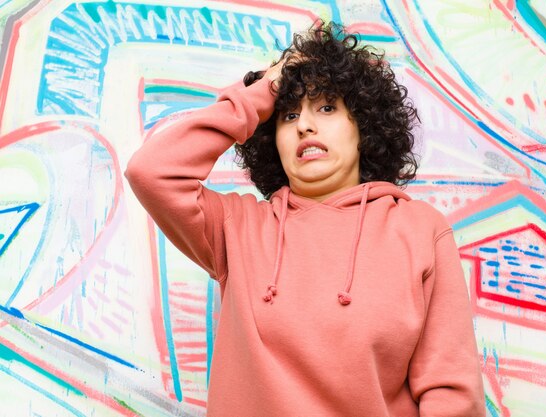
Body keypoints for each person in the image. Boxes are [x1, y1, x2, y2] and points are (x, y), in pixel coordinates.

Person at [125, 22, 485, 417]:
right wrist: (265, 90)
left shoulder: (419, 230)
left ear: (363, 125)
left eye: (327, 107)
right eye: (289, 114)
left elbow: (451, 393)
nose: (305, 125)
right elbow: (152, 171)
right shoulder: (236, 227)